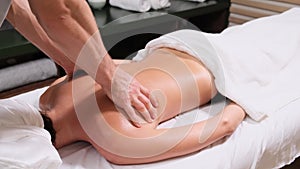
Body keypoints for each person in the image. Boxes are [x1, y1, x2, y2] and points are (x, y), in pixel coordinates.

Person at [39, 47, 246, 164]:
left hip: (222, 64)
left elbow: (225, 123)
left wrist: (248, 93)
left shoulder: (116, 140)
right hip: (171, 45)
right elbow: (117, 65)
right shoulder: (52, 92)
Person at [0, 0, 157, 127]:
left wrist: (68, 60)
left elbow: (15, 6)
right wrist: (111, 77)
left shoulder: (48, 98)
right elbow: (59, 11)